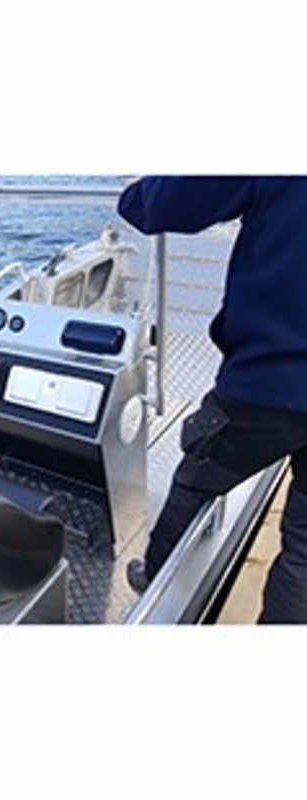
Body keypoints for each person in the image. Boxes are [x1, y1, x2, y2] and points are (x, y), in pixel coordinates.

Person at [117, 176, 307, 623]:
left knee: (197, 479)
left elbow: (162, 205)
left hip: (268, 381)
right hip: (274, 381)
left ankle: (157, 577)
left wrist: (136, 189)